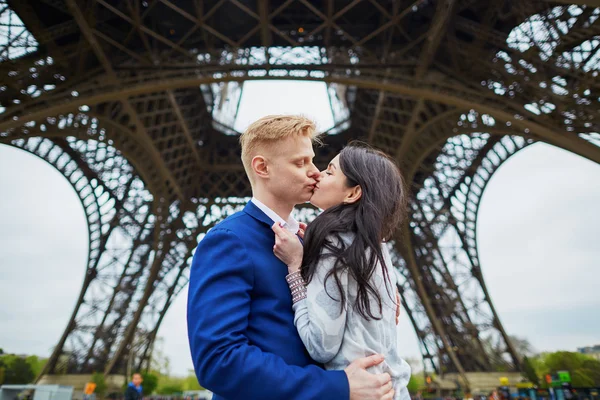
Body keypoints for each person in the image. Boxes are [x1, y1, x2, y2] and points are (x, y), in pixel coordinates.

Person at [187, 115, 396, 400]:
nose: (315, 172)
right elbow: (219, 361)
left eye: (313, 160)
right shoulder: (229, 241)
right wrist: (336, 386)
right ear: (262, 167)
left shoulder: (310, 242)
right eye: (300, 163)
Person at [271, 143, 412, 400]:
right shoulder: (376, 247)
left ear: (352, 193)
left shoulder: (333, 243)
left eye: (329, 171)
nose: (318, 174)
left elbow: (320, 346)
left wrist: (295, 267)